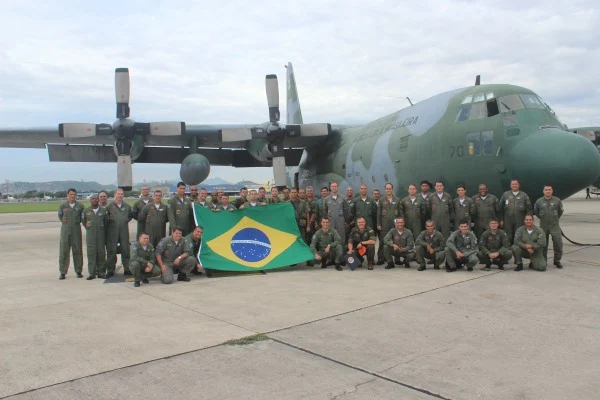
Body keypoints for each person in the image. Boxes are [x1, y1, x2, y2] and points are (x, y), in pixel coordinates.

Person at [534, 185, 564, 268]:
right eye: (546, 190)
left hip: (555, 226)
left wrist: (554, 219)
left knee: (558, 244)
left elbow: (560, 212)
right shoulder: (539, 201)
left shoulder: (557, 200)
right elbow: (536, 212)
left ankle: (557, 260)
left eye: (549, 190)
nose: (548, 191)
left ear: (552, 191)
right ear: (543, 191)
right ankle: (544, 260)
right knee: (543, 244)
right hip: (543, 226)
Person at [58, 188, 84, 279]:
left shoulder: (80, 206)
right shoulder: (63, 206)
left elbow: (82, 217)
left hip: (76, 230)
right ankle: (63, 272)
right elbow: (60, 216)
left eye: (74, 194)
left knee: (78, 251)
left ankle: (78, 271)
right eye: (71, 194)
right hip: (65, 230)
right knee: (64, 251)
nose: (72, 196)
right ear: (67, 195)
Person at [106, 188, 133, 277]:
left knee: (125, 250)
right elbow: (106, 218)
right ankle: (110, 270)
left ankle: (127, 269)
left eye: (121, 194)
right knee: (111, 251)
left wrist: (123, 222)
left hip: (124, 231)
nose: (120, 195)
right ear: (115, 195)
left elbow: (129, 217)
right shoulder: (109, 207)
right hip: (112, 232)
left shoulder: (127, 207)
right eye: (118, 194)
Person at [82, 194, 107, 280]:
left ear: (98, 200)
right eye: (93, 199)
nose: (95, 200)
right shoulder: (86, 211)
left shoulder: (103, 211)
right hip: (91, 236)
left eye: (96, 198)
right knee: (91, 254)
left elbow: (106, 222)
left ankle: (101, 272)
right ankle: (92, 273)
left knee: (101, 254)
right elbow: (84, 222)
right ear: (90, 200)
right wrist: (90, 229)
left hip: (101, 235)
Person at [500, 179, 532, 245]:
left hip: (520, 219)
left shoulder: (524, 195)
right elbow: (500, 207)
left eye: (516, 184)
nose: (514, 185)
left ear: (519, 185)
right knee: (508, 236)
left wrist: (528, 220)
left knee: (519, 235)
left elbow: (529, 208)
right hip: (507, 220)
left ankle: (518, 249)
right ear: (510, 185)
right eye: (513, 184)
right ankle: (508, 249)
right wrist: (501, 219)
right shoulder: (506, 194)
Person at [378, 183, 402, 264]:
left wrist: (401, 224)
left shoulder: (397, 200)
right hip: (384, 224)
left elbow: (400, 213)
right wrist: (378, 224)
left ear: (392, 189)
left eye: (390, 188)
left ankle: (397, 259)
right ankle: (381, 258)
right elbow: (378, 213)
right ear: (385, 190)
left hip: (395, 225)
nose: (388, 190)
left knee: (397, 241)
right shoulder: (381, 200)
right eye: (387, 188)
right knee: (382, 241)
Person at [324, 182, 348, 246]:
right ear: (330, 188)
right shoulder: (326, 199)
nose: (334, 188)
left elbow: (346, 210)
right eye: (333, 186)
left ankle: (341, 250)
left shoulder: (343, 198)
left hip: (340, 221)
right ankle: (331, 250)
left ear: (337, 187)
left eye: (335, 186)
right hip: (331, 222)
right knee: (330, 237)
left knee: (341, 236)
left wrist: (345, 220)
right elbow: (325, 210)